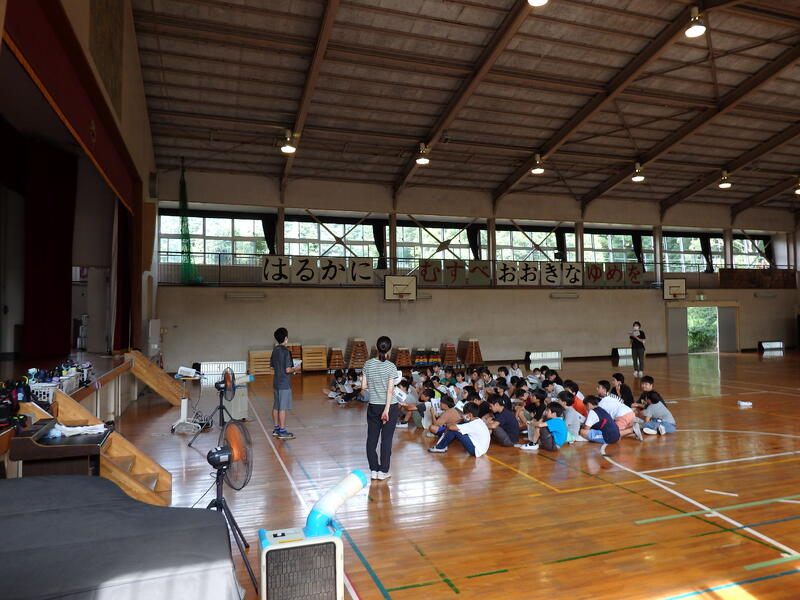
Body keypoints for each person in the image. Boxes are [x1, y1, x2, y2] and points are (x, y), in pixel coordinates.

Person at [363, 336, 400, 481]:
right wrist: (386, 410)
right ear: (389, 350)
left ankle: (374, 469)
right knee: (386, 440)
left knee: (371, 439)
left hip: (373, 405)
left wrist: (375, 385)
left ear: (376, 348)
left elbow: (363, 386)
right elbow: (390, 391)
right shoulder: (391, 366)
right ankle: (383, 471)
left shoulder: (368, 364)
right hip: (390, 406)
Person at [270, 327, 298, 439]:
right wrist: (296, 369)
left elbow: (272, 366)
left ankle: (276, 428)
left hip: (276, 382)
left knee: (276, 406)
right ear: (286, 338)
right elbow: (288, 370)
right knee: (282, 407)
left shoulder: (275, 350)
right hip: (284, 384)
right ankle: (282, 431)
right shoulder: (286, 352)